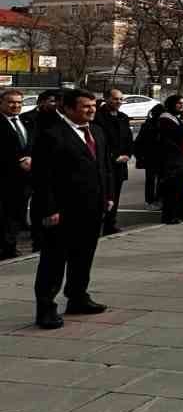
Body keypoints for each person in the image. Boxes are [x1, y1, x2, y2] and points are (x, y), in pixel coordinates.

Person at [31, 86, 113, 328]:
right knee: (53, 261)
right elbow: (42, 177)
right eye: (85, 106)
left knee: (83, 257)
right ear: (67, 108)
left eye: (93, 106)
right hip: (62, 211)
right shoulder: (51, 134)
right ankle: (45, 308)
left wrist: (107, 195)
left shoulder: (96, 131)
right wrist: (50, 209)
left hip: (92, 208)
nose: (91, 110)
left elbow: (104, 166)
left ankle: (77, 297)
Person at [22, 91, 60, 249]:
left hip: (47, 166)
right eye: (51, 101)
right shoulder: (27, 118)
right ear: (41, 102)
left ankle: (38, 233)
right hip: (28, 164)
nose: (54, 104)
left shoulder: (57, 118)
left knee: (43, 200)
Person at [0, 88, 33, 259]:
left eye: (19, 102)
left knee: (16, 215)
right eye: (11, 102)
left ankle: (10, 246)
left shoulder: (24, 121)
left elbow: (29, 145)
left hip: (24, 180)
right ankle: (6, 249)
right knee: (5, 217)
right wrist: (18, 161)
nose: (16, 105)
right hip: (5, 178)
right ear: (2, 103)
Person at [96, 87, 134, 234]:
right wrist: (112, 157)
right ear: (106, 99)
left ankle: (110, 224)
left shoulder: (123, 117)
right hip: (104, 164)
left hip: (120, 166)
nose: (118, 102)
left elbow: (129, 140)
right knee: (101, 196)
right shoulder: (98, 117)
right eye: (115, 99)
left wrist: (128, 154)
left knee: (115, 196)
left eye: (120, 99)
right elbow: (100, 141)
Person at [157, 94, 183, 224]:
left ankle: (180, 212)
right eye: (179, 103)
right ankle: (169, 215)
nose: (182, 105)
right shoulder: (165, 118)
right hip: (171, 159)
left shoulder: (179, 118)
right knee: (172, 189)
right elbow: (178, 135)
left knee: (182, 187)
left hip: (182, 158)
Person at [133, 101, 163, 205]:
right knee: (158, 179)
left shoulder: (147, 124)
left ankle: (150, 199)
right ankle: (156, 198)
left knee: (150, 179)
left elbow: (138, 141)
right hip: (157, 156)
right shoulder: (159, 125)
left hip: (149, 156)